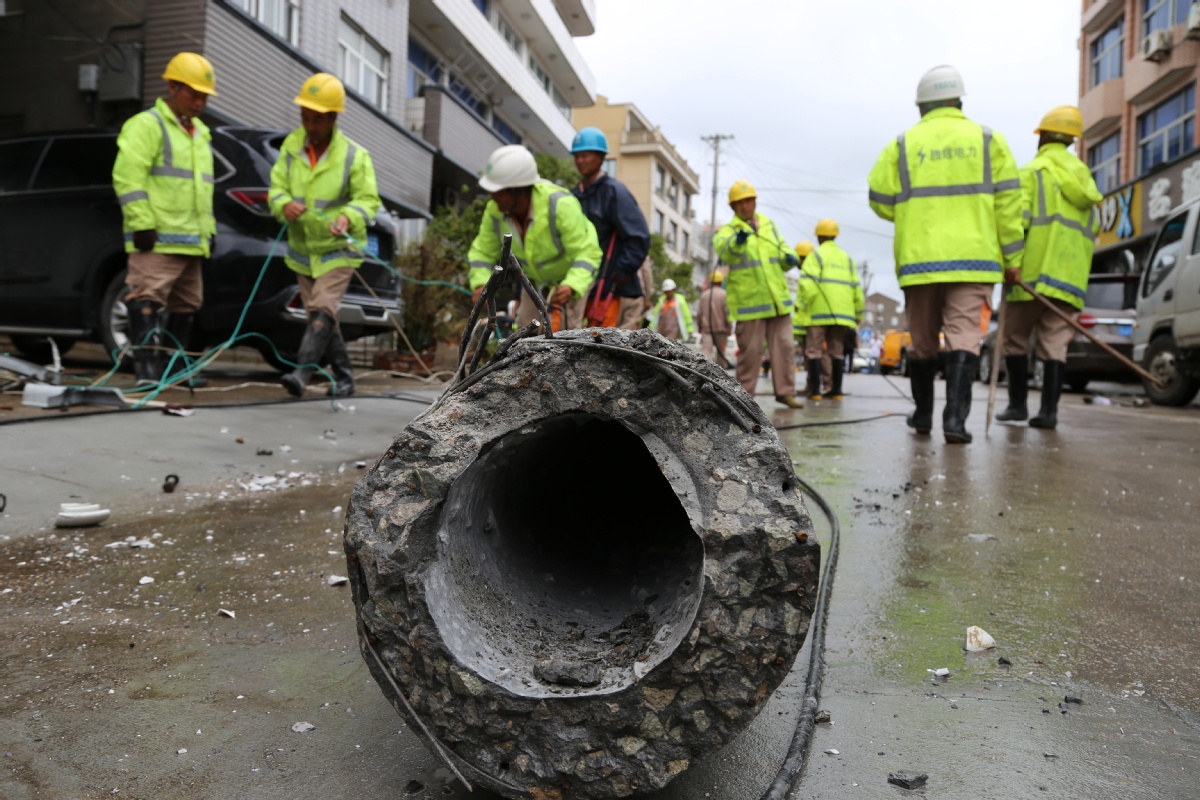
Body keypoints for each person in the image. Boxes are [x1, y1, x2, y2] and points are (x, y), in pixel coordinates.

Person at [868, 65, 1024, 443]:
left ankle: (922, 416)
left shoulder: (902, 145)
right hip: (976, 260)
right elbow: (1009, 206)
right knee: (965, 338)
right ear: (959, 101)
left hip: (919, 261)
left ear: (921, 106)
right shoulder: (989, 141)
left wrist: (910, 213)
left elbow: (878, 199)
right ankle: (955, 421)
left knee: (922, 342)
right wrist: (1014, 260)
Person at [270, 73, 380, 398]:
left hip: (338, 249)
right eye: (305, 116)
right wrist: (284, 204)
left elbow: (369, 200)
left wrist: (347, 216)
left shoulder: (353, 156)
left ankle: (301, 373)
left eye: (316, 118)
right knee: (323, 315)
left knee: (321, 308)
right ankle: (346, 377)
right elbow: (276, 188)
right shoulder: (292, 147)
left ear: (333, 117)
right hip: (303, 250)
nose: (309, 124)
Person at [112, 52, 218, 387]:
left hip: (191, 240)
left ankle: (173, 372)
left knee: (187, 304)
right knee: (146, 297)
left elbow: (202, 189)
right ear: (172, 87)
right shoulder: (146, 125)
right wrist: (141, 222)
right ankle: (146, 372)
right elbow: (128, 178)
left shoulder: (200, 133)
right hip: (156, 237)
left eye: (204, 96)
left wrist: (209, 231)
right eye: (193, 94)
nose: (200, 102)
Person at [996, 105, 1102, 429]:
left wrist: (1009, 263)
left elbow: (1017, 222)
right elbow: (1092, 233)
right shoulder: (1086, 182)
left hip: (1029, 275)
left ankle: (1017, 407)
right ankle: (1048, 413)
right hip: (1068, 280)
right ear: (1071, 140)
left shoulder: (1032, 173)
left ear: (1041, 136)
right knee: (1055, 344)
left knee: (1014, 338)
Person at [468, 145, 601, 331]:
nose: (493, 196)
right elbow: (482, 251)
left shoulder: (561, 205)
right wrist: (480, 283)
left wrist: (572, 286)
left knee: (564, 338)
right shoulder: (495, 211)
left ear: (518, 189)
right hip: (533, 280)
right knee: (524, 334)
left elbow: (587, 252)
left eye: (499, 190)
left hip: (570, 278)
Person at [713, 180, 804, 408]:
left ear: (755, 201)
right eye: (740, 202)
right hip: (750, 304)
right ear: (733, 206)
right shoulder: (729, 231)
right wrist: (737, 242)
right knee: (750, 354)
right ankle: (745, 399)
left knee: (784, 349)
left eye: (749, 200)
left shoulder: (768, 225)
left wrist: (789, 258)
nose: (746, 205)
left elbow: (782, 250)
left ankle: (785, 392)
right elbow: (725, 251)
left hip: (778, 301)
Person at [569, 127, 651, 329]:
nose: (580, 161)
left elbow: (638, 237)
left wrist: (619, 273)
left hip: (614, 291)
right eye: (577, 156)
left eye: (586, 155)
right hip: (581, 287)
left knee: (609, 351)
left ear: (601, 157)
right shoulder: (573, 196)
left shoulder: (614, 192)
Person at [799, 218, 864, 400]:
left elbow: (808, 285)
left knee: (814, 351)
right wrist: (857, 314)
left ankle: (816, 392)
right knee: (837, 351)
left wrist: (804, 306)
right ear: (835, 236)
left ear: (819, 237)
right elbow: (857, 290)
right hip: (842, 315)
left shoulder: (816, 256)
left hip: (818, 313)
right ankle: (836, 392)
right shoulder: (847, 259)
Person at [697, 270, 732, 367]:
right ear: (721, 282)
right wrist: (729, 327)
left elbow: (700, 313)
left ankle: (704, 372)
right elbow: (727, 313)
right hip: (721, 329)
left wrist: (699, 325)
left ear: (710, 282)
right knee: (721, 354)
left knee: (706, 352)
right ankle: (721, 377)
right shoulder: (724, 295)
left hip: (706, 329)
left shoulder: (704, 295)